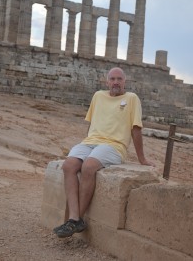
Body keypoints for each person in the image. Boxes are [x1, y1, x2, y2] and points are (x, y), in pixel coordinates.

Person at [53, 67, 155, 238]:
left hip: (114, 146)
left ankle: (74, 220)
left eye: (119, 79)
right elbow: (91, 123)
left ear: (125, 82)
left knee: (89, 166)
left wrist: (142, 158)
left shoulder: (131, 98)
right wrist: (85, 144)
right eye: (112, 79)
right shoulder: (98, 96)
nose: (116, 82)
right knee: (69, 166)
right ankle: (75, 219)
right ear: (107, 81)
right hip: (91, 142)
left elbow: (136, 128)